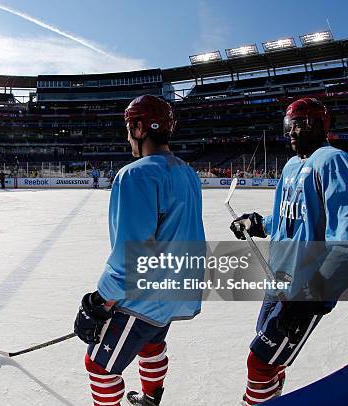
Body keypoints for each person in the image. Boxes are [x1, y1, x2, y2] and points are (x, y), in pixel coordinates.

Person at [230, 98, 348, 405]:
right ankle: (272, 392)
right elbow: (284, 219)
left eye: (299, 125)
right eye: (288, 126)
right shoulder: (292, 165)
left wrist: (313, 296)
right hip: (276, 281)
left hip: (303, 289)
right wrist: (256, 223)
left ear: (320, 127)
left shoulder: (331, 160)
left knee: (260, 361)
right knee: (268, 352)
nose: (291, 133)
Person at [74, 95, 205, 406]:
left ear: (139, 127)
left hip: (145, 296)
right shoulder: (187, 172)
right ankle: (150, 398)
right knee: (151, 345)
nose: (127, 135)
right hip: (178, 289)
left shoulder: (136, 174)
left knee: (99, 366)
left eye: (128, 127)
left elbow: (132, 252)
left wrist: (101, 301)